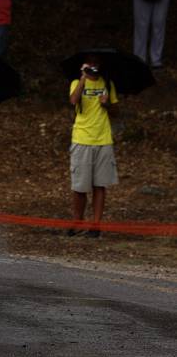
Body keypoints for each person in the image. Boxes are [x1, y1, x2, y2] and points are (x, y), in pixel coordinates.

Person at [68, 57, 119, 238]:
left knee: (100, 185)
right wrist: (83, 78)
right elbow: (73, 100)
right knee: (79, 186)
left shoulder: (107, 83)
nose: (93, 67)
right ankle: (78, 223)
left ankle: (96, 225)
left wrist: (107, 104)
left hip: (103, 139)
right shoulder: (76, 82)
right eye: (90, 64)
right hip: (82, 139)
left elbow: (116, 111)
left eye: (96, 64)